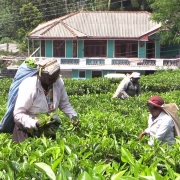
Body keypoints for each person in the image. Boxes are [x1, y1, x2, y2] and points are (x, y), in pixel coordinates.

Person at [13, 58, 79, 142]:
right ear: (40, 75)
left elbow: (64, 104)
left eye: (56, 77)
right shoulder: (30, 86)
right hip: (26, 130)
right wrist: (36, 123)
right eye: (51, 79)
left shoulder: (58, 82)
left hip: (48, 129)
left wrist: (73, 116)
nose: (55, 80)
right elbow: (18, 114)